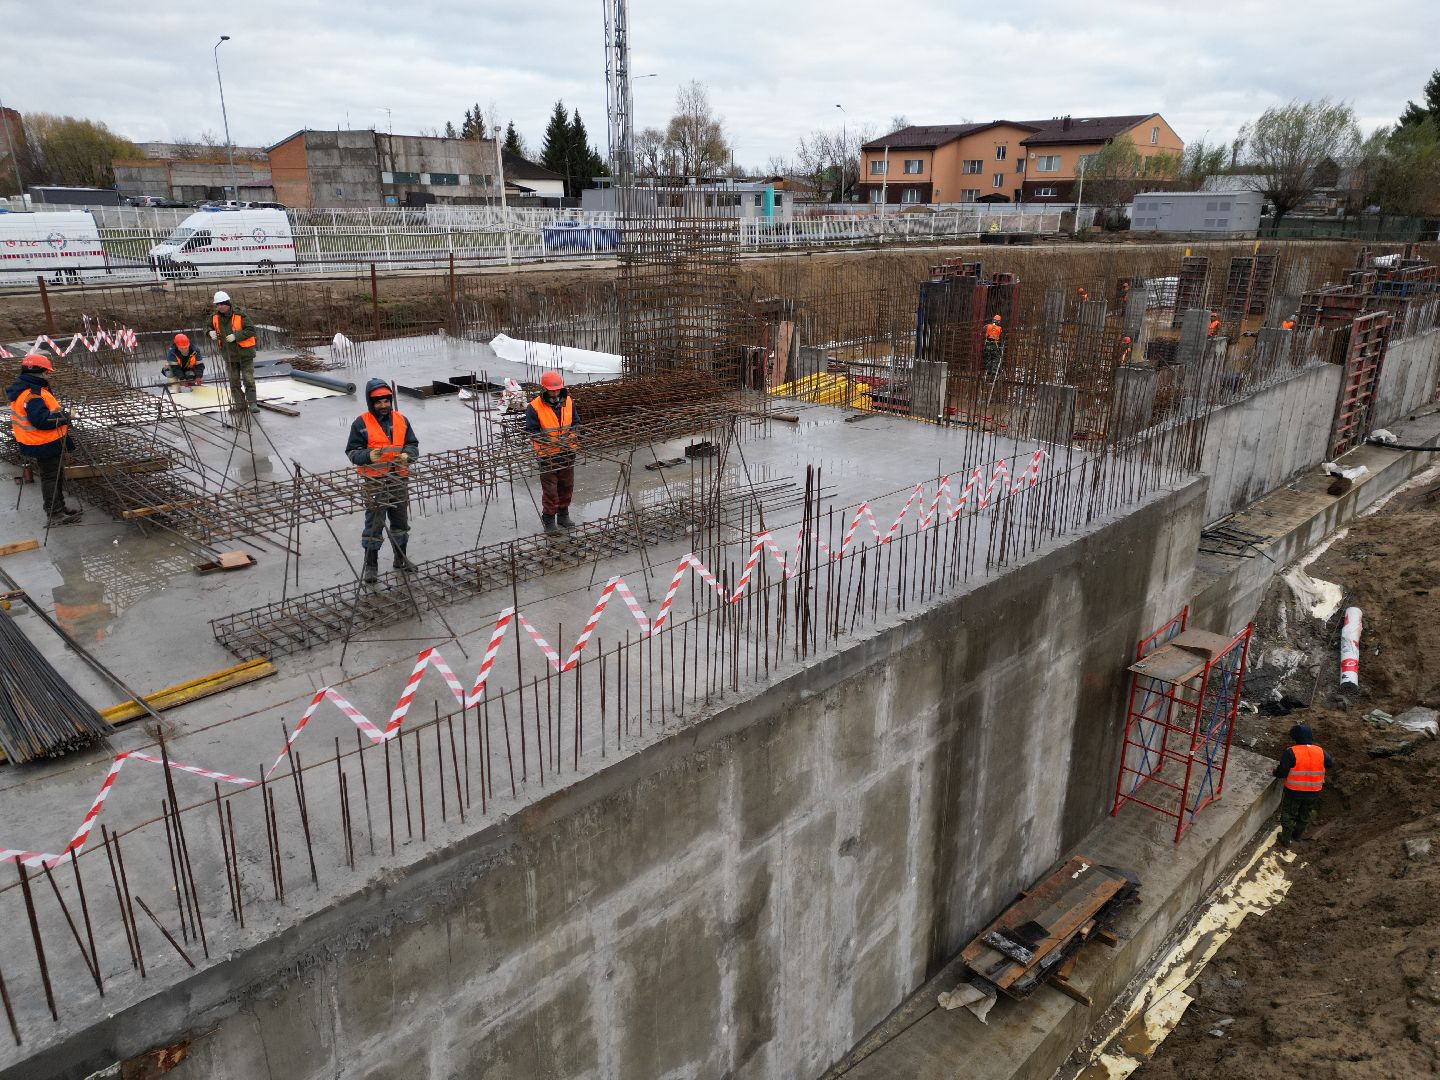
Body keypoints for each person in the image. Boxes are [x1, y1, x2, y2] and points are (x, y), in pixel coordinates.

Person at [345, 379, 419, 583]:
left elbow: (412, 444)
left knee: (400, 522)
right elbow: (352, 452)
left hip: (399, 479)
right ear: (371, 402)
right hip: (375, 481)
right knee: (374, 523)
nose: (383, 405)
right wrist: (369, 456)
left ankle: (400, 559)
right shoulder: (361, 423)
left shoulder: (401, 420)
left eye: (386, 401)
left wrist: (407, 455)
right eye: (378, 402)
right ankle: (371, 566)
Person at [6, 354, 81, 526]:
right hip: (43, 442)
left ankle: (59, 508)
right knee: (50, 478)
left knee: (55, 476)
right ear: (39, 372)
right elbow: (42, 420)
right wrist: (65, 416)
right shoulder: (32, 395)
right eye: (47, 372)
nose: (48, 375)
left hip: (42, 441)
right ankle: (54, 513)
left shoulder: (28, 389)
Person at [524, 371, 581, 536]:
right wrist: (550, 441)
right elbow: (532, 431)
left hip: (568, 452)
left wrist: (572, 435)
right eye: (552, 390)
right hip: (547, 455)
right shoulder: (534, 407)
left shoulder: (568, 401)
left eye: (557, 390)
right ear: (544, 389)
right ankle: (549, 519)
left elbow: (576, 423)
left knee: (566, 486)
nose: (555, 393)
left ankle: (563, 516)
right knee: (550, 490)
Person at [1273, 723, 1333, 846]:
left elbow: (1282, 772)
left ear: (1295, 738)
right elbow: (1330, 764)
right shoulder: (1320, 751)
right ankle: (1297, 836)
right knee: (1305, 814)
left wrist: (1276, 772)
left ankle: (1286, 839)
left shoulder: (1291, 752)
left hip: (1294, 791)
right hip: (1314, 790)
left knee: (1289, 814)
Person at [208, 290, 258, 413]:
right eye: (217, 305)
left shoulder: (240, 315)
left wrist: (237, 335)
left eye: (221, 304)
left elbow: (251, 330)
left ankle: (252, 404)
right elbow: (207, 326)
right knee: (233, 381)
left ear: (228, 304)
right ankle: (240, 405)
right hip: (229, 355)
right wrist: (209, 332)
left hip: (244, 354)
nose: (219, 307)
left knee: (248, 379)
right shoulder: (215, 317)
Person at [982, 314, 1003, 379]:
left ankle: (988, 371)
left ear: (993, 320)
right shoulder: (1000, 329)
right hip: (994, 345)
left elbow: (983, 330)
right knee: (996, 358)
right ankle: (994, 373)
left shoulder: (987, 326)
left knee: (988, 358)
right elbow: (1001, 337)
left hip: (987, 345)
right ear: (999, 322)